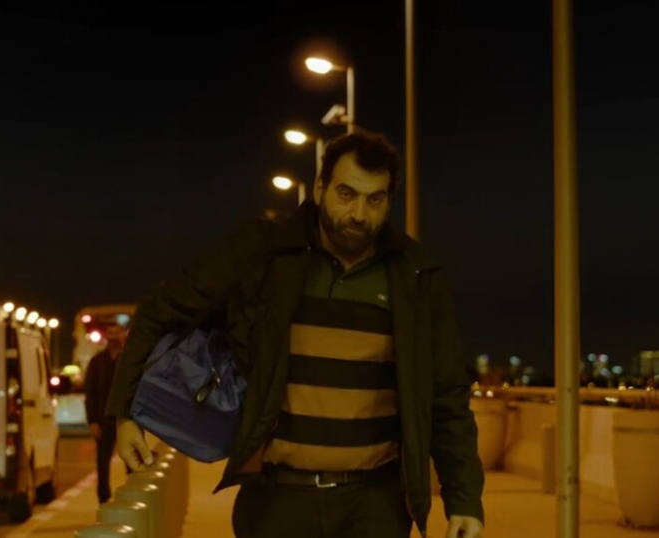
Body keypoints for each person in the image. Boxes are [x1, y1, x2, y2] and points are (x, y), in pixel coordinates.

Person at [106, 131, 485, 538]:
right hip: (276, 501)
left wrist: (464, 500)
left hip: (375, 504)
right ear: (320, 188)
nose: (359, 213)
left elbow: (446, 394)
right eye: (346, 194)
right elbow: (159, 311)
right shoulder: (264, 252)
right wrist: (125, 413)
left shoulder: (416, 275)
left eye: (374, 200)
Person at [83, 323, 128, 504]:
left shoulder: (130, 360)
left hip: (126, 419)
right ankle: (103, 497)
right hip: (103, 420)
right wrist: (92, 421)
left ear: (123, 335)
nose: (113, 336)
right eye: (110, 333)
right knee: (102, 462)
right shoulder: (97, 362)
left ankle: (132, 495)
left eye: (117, 332)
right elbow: (90, 393)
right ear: (106, 337)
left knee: (132, 459)